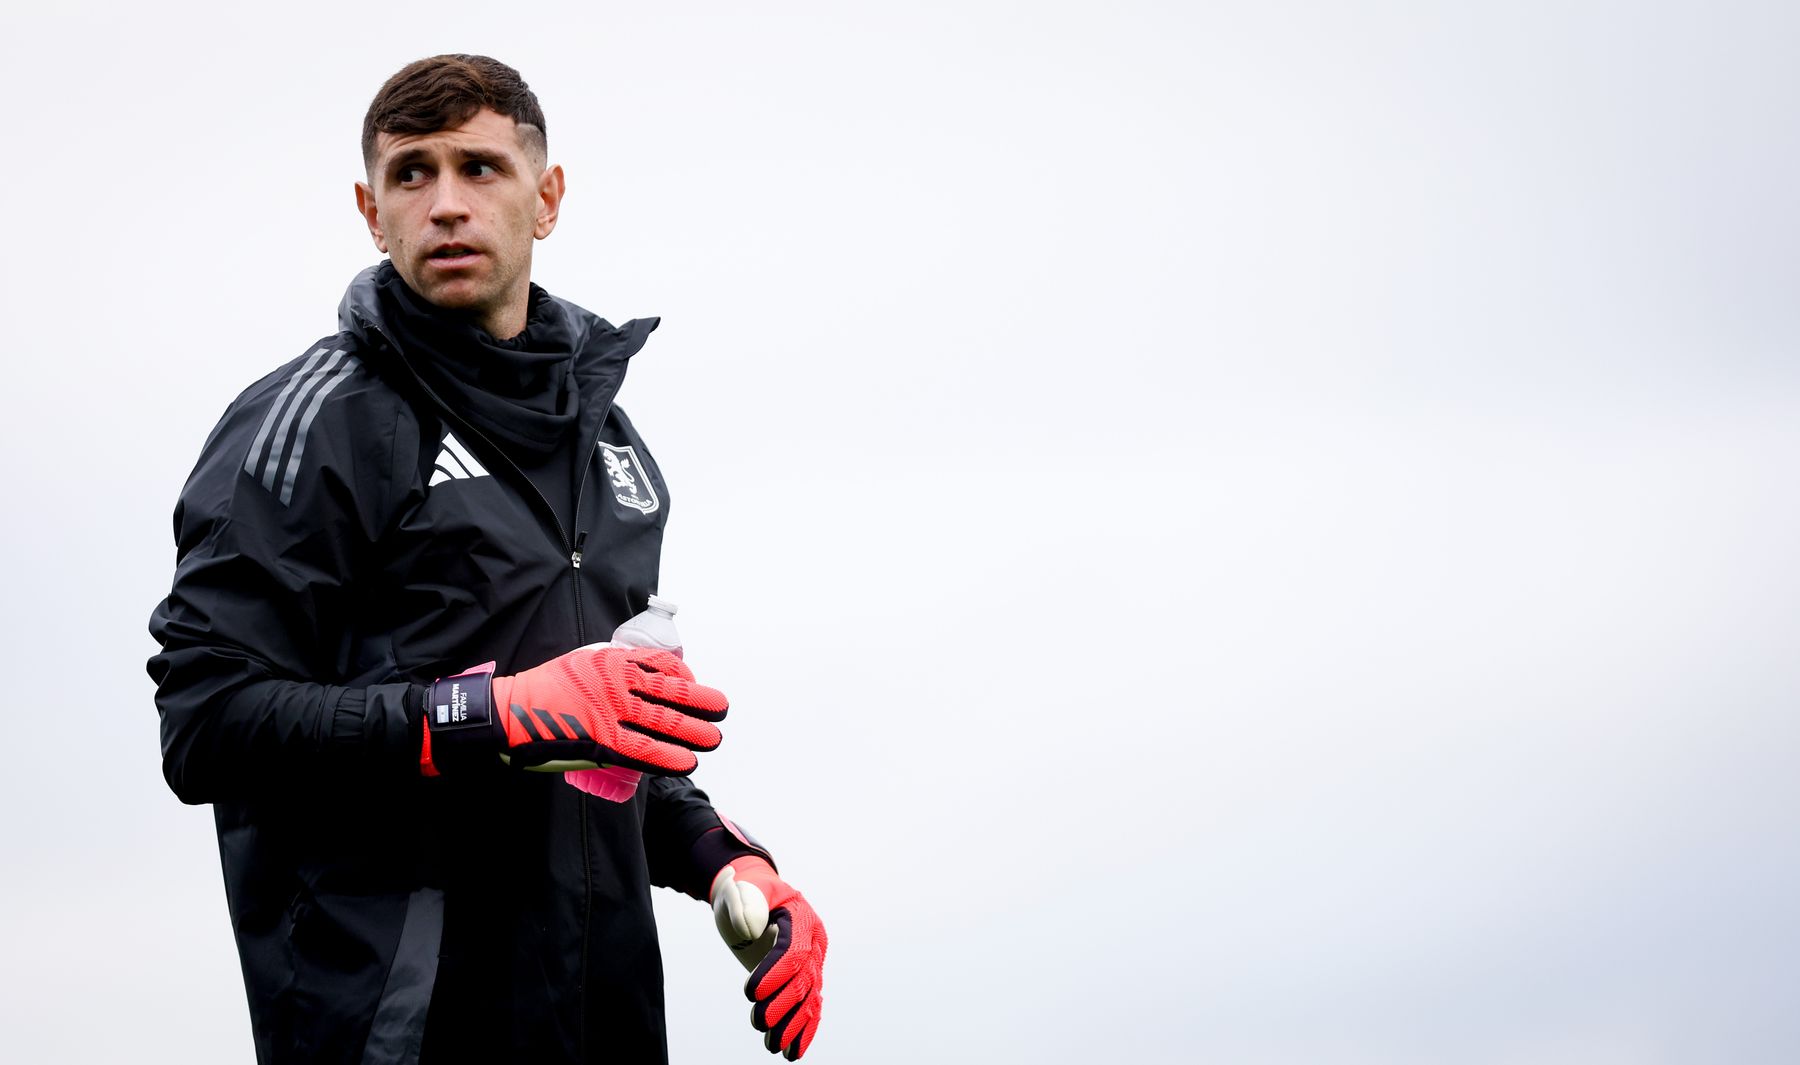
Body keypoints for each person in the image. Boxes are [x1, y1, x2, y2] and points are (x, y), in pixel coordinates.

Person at [147, 54, 826, 1064]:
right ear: (370, 211)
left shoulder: (611, 445)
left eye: (481, 169)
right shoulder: (314, 422)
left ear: (546, 198)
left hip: (601, 1021)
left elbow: (598, 736)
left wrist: (724, 858)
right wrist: (484, 716)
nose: (447, 205)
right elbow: (207, 724)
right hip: (397, 1031)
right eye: (412, 175)